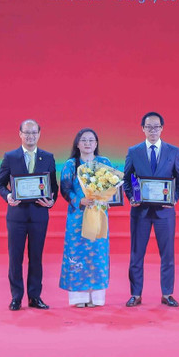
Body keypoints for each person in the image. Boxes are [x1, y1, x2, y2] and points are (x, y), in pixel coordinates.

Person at [0, 119, 58, 311]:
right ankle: (16, 297)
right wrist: (8, 196)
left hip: (39, 214)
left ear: (39, 134)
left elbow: (52, 186)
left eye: (34, 133)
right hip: (17, 215)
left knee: (36, 257)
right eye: (27, 133)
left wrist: (51, 201)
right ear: (20, 134)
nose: (30, 136)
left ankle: (35, 296)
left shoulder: (47, 157)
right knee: (15, 257)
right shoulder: (10, 156)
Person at [123, 111, 179, 307]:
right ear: (142, 129)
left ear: (162, 129)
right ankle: (135, 294)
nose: (153, 130)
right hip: (140, 211)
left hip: (165, 212)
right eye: (148, 127)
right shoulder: (134, 151)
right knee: (136, 253)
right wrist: (132, 197)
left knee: (167, 254)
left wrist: (173, 198)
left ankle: (167, 294)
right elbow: (127, 179)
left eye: (156, 127)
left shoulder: (173, 151)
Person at [59, 128, 113, 307]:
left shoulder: (104, 162)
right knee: (77, 253)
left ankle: (97, 297)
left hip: (98, 215)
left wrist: (108, 198)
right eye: (84, 140)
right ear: (77, 143)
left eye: (91, 140)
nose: (88, 143)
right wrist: (79, 199)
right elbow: (65, 189)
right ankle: (79, 298)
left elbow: (113, 186)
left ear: (96, 143)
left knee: (98, 254)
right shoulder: (71, 164)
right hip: (78, 217)